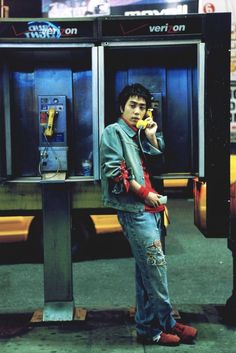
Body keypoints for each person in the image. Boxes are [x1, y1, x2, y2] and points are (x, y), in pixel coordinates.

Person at [100, 83, 197, 346]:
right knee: (156, 269)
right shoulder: (113, 133)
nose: (137, 111)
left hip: (155, 211)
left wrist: (152, 136)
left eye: (142, 107)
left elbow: (160, 165)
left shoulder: (144, 133)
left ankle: (147, 327)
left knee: (146, 273)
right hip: (136, 210)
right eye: (132, 105)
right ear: (122, 107)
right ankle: (167, 323)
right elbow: (114, 173)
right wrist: (145, 194)